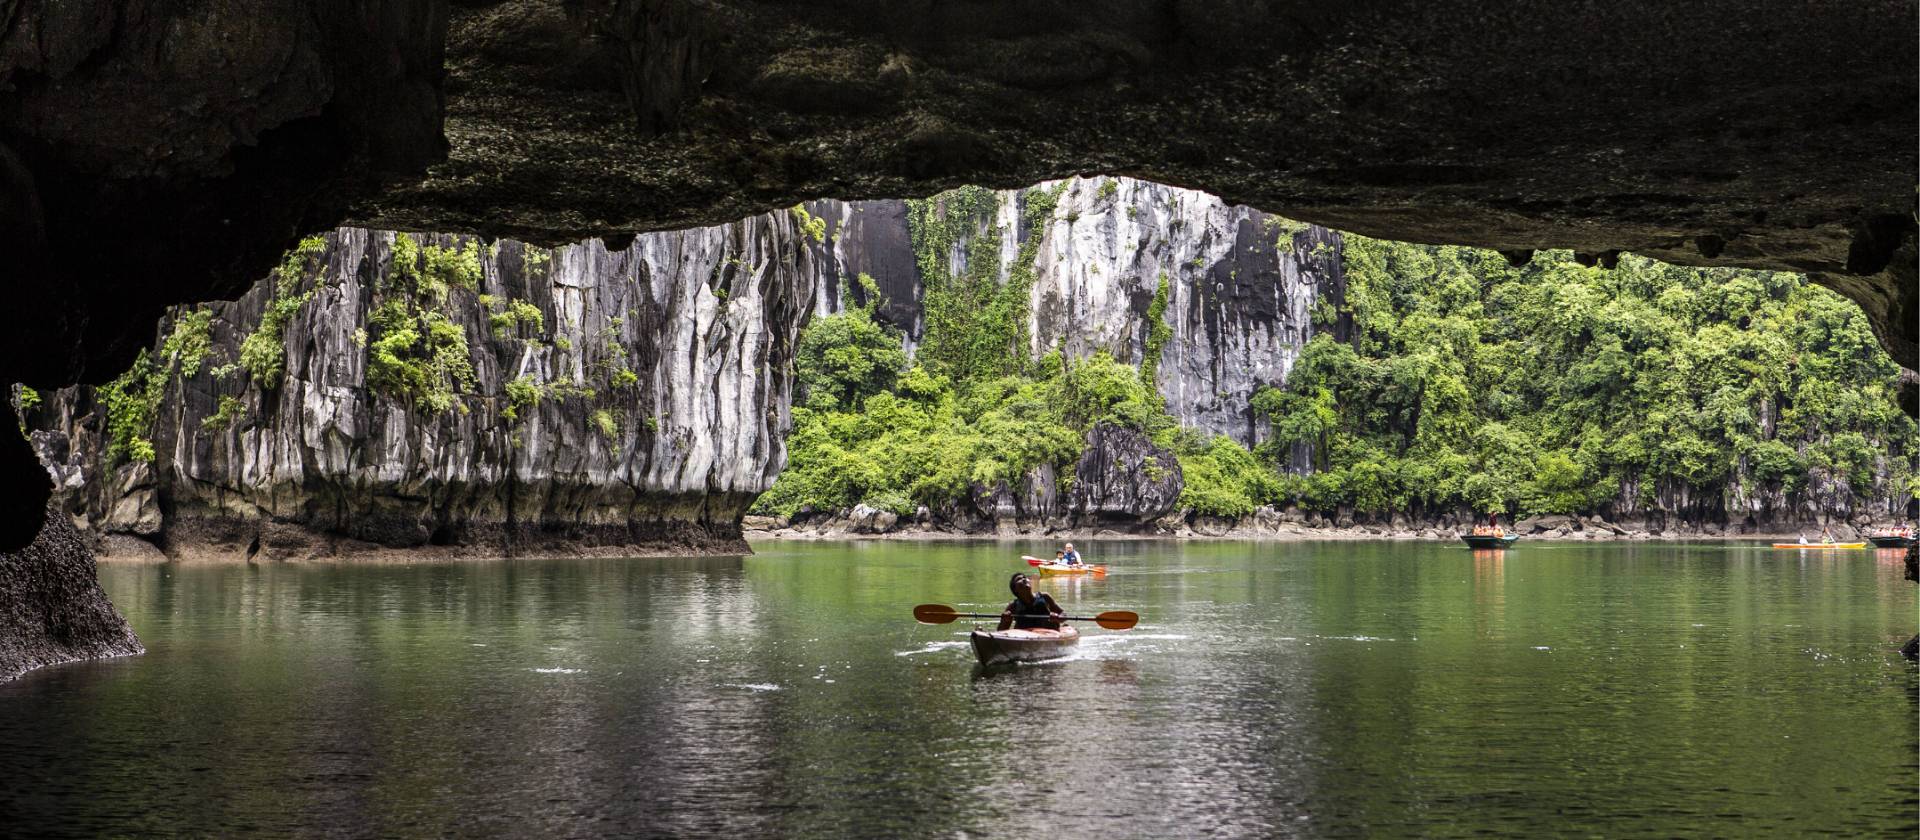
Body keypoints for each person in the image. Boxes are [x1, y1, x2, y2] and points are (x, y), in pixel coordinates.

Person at [998, 573, 1065, 631]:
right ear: (1015, 590)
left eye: (1025, 577)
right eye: (1019, 579)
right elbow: (1001, 631)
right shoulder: (1013, 606)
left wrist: (1058, 617)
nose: (1024, 579)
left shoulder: (1045, 597)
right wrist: (1004, 620)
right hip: (1025, 636)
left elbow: (1063, 614)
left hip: (1048, 633)